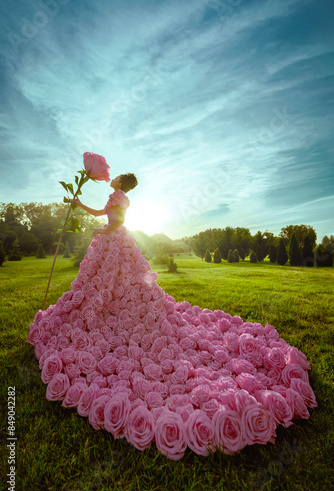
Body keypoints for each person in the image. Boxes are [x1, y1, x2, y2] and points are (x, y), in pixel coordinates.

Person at [28, 173, 317, 460]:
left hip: (115, 243)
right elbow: (103, 213)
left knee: (116, 287)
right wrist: (79, 204)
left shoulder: (119, 198)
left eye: (115, 178)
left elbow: (117, 222)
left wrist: (103, 231)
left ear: (121, 184)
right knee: (103, 286)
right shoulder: (116, 197)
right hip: (112, 243)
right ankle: (104, 311)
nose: (111, 179)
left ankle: (119, 316)